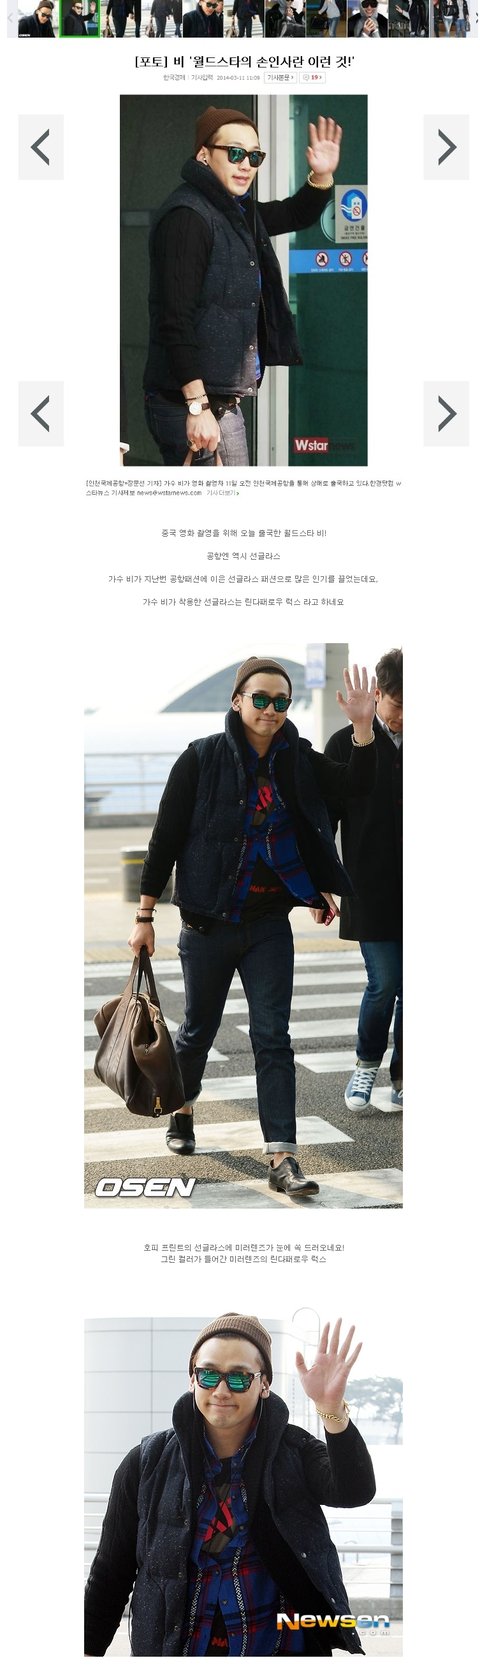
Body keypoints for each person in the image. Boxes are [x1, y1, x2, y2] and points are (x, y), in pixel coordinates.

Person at [129, 657, 376, 1197]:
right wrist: (144, 917)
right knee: (197, 1032)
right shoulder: (201, 758)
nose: (270, 710)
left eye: (281, 701)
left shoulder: (298, 758)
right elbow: (164, 839)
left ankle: (282, 1156)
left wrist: (362, 727)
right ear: (237, 700)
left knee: (273, 1038)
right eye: (260, 699)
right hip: (207, 924)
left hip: (268, 924)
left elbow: (355, 787)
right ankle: (183, 1107)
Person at [84, 1312, 376, 1656]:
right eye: (208, 1375)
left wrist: (331, 1409)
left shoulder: (295, 1452)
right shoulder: (146, 1463)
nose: (221, 1390)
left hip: (281, 1650)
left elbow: (354, 1490)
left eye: (239, 1377)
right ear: (192, 1379)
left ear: (264, 1384)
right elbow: (111, 1573)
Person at [143, 105, 342, 468]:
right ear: (204, 155)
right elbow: (174, 319)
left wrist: (321, 174)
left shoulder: (235, 212)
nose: (246, 165)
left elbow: (294, 213)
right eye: (235, 153)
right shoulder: (188, 217)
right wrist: (197, 406)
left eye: (254, 156)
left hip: (215, 402)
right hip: (193, 404)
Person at [324, 649, 402, 1114]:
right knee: (385, 982)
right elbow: (325, 818)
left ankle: (404, 1075)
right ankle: (367, 1063)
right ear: (377, 694)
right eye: (397, 705)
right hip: (369, 888)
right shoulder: (343, 744)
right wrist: (322, 881)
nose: (403, 717)